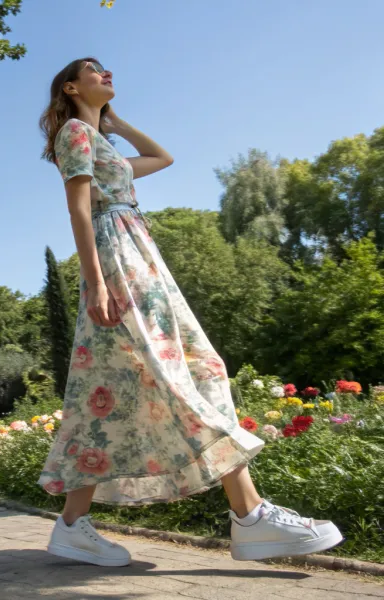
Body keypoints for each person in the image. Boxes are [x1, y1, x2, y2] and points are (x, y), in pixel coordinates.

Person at [36, 57, 342, 567]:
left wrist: (113, 123)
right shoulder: (73, 131)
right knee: (184, 375)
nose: (106, 74)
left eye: (108, 69)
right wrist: (95, 284)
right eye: (93, 71)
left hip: (140, 259)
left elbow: (163, 157)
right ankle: (251, 517)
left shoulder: (101, 142)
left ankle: (72, 527)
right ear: (70, 86)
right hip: (119, 265)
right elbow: (79, 209)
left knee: (113, 394)